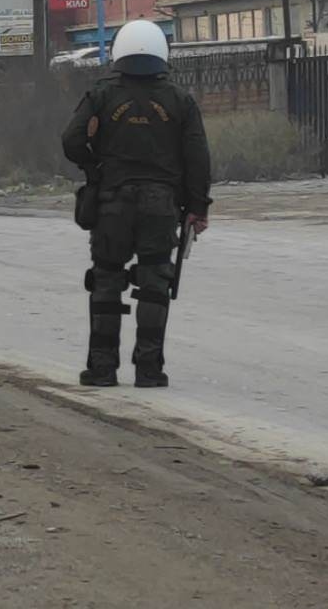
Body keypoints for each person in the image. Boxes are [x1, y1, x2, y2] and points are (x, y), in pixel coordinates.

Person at [60, 20, 211, 388]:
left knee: (106, 280)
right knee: (155, 281)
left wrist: (95, 169)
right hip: (161, 205)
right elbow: (197, 158)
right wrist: (198, 208)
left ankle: (101, 368)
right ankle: (149, 369)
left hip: (112, 202)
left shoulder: (101, 95)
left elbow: (71, 140)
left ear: (119, 52)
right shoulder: (180, 100)